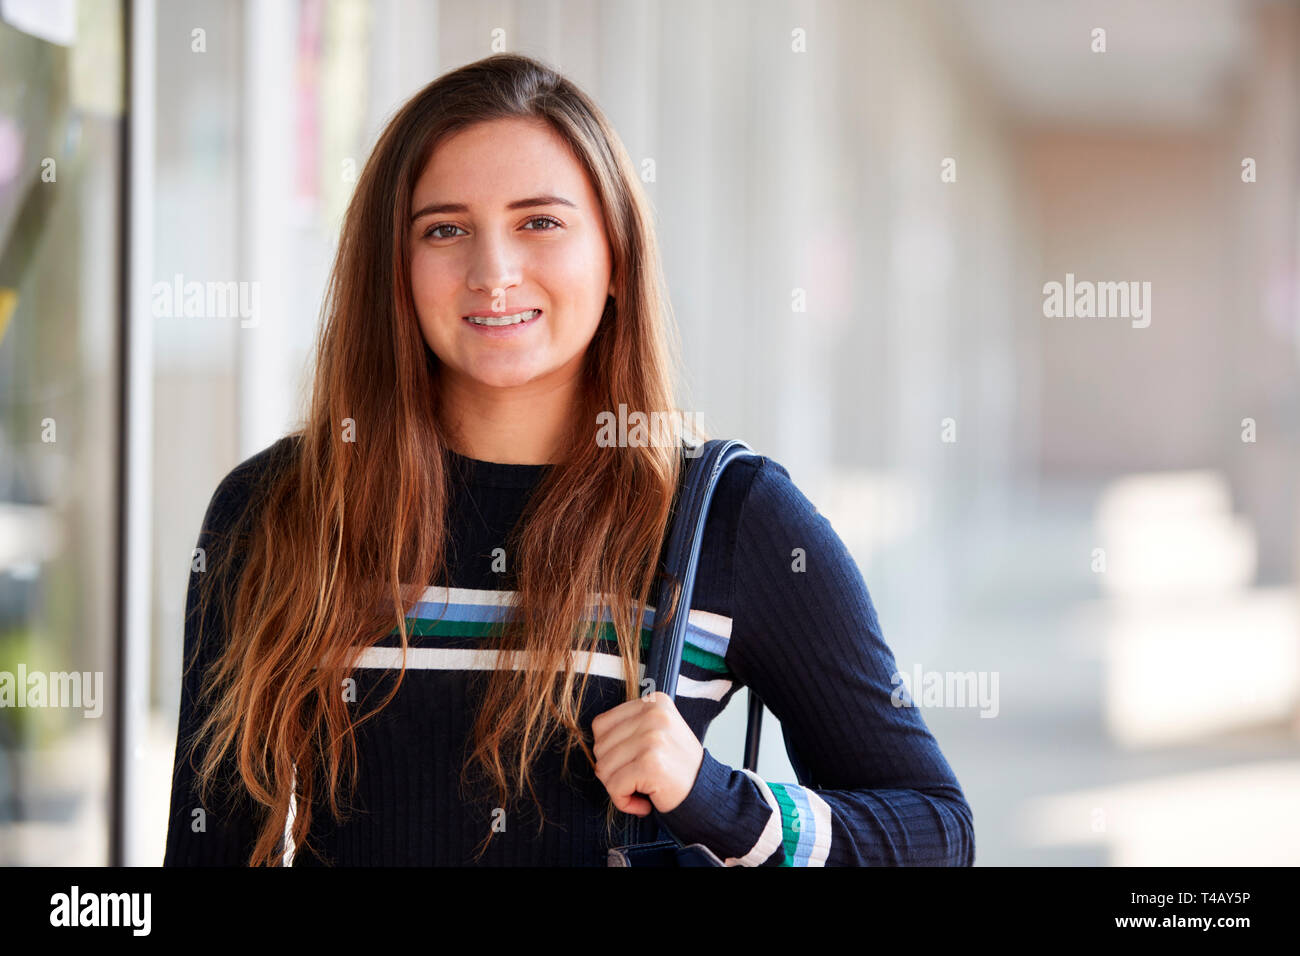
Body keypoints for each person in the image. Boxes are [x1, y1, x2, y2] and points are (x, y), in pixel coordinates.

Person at [162, 52, 974, 867]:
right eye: (444, 229)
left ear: (615, 256)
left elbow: (938, 832)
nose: (494, 273)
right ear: (393, 270)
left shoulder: (730, 518)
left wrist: (715, 798)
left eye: (539, 222)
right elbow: (207, 850)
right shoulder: (276, 510)